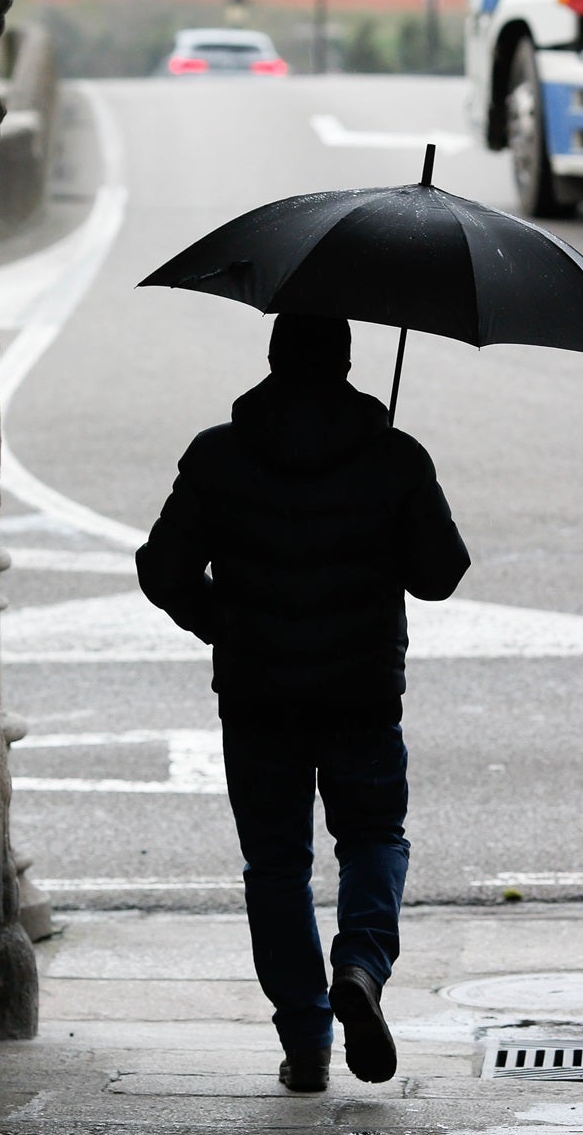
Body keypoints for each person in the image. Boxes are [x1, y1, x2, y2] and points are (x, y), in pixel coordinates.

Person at [136, 312, 471, 1092]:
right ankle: (361, 965)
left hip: (257, 695)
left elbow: (163, 570)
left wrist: (220, 621)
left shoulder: (218, 455)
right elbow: (440, 574)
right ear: (347, 363)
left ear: (273, 357)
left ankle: (307, 1042)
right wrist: (395, 501)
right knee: (374, 835)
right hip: (362, 693)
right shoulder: (394, 457)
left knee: (276, 866)